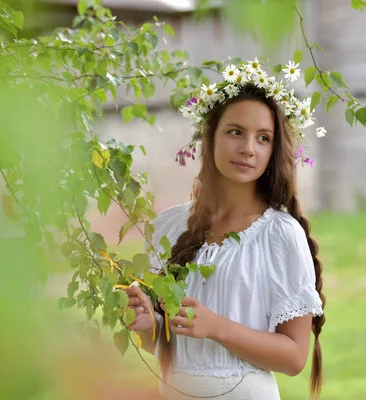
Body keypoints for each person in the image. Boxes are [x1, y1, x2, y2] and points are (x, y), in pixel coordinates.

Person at [125, 59, 326, 400]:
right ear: (210, 136)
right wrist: (148, 328)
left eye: (263, 138)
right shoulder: (169, 226)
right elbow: (166, 346)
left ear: (273, 150)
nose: (249, 148)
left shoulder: (279, 234)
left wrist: (217, 328)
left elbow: (294, 358)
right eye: (236, 131)